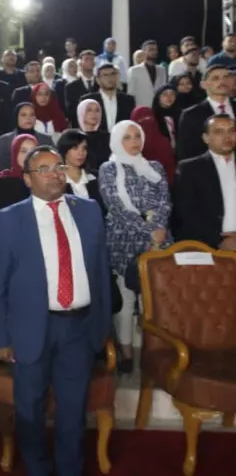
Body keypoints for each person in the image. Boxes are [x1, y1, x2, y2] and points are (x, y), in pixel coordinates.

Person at [0, 145, 111, 476]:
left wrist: (102, 326)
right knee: (30, 409)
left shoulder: (88, 211)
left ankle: (71, 468)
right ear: (28, 179)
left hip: (79, 328)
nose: (54, 174)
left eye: (58, 167)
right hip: (30, 329)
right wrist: (1, 338)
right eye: (43, 169)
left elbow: (101, 272)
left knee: (73, 409)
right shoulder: (9, 219)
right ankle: (38, 468)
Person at [98, 121, 172, 373]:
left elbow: (164, 202)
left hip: (159, 240)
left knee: (156, 298)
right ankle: (127, 353)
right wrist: (148, 231)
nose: (134, 142)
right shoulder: (109, 169)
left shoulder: (154, 167)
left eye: (137, 136)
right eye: (127, 137)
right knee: (127, 298)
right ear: (117, 141)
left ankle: (156, 352)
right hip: (124, 238)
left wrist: (157, 231)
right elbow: (116, 207)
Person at [175, 114, 236, 249]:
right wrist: (219, 240)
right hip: (208, 247)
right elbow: (186, 212)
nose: (227, 137)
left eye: (232, 131)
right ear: (206, 138)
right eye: (219, 132)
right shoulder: (189, 168)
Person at [0, 134, 37, 228]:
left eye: (33, 151)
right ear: (15, 153)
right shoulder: (0, 183)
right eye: (23, 151)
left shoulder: (44, 180)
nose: (28, 156)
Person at [0, 103, 54, 172]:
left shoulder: (46, 140)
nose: (28, 118)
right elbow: (1, 169)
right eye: (23, 115)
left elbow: (54, 164)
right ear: (16, 118)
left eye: (32, 115)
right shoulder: (5, 140)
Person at [56, 130, 103, 207]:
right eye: (75, 148)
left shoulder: (96, 177)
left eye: (84, 148)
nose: (81, 153)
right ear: (64, 149)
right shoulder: (56, 179)